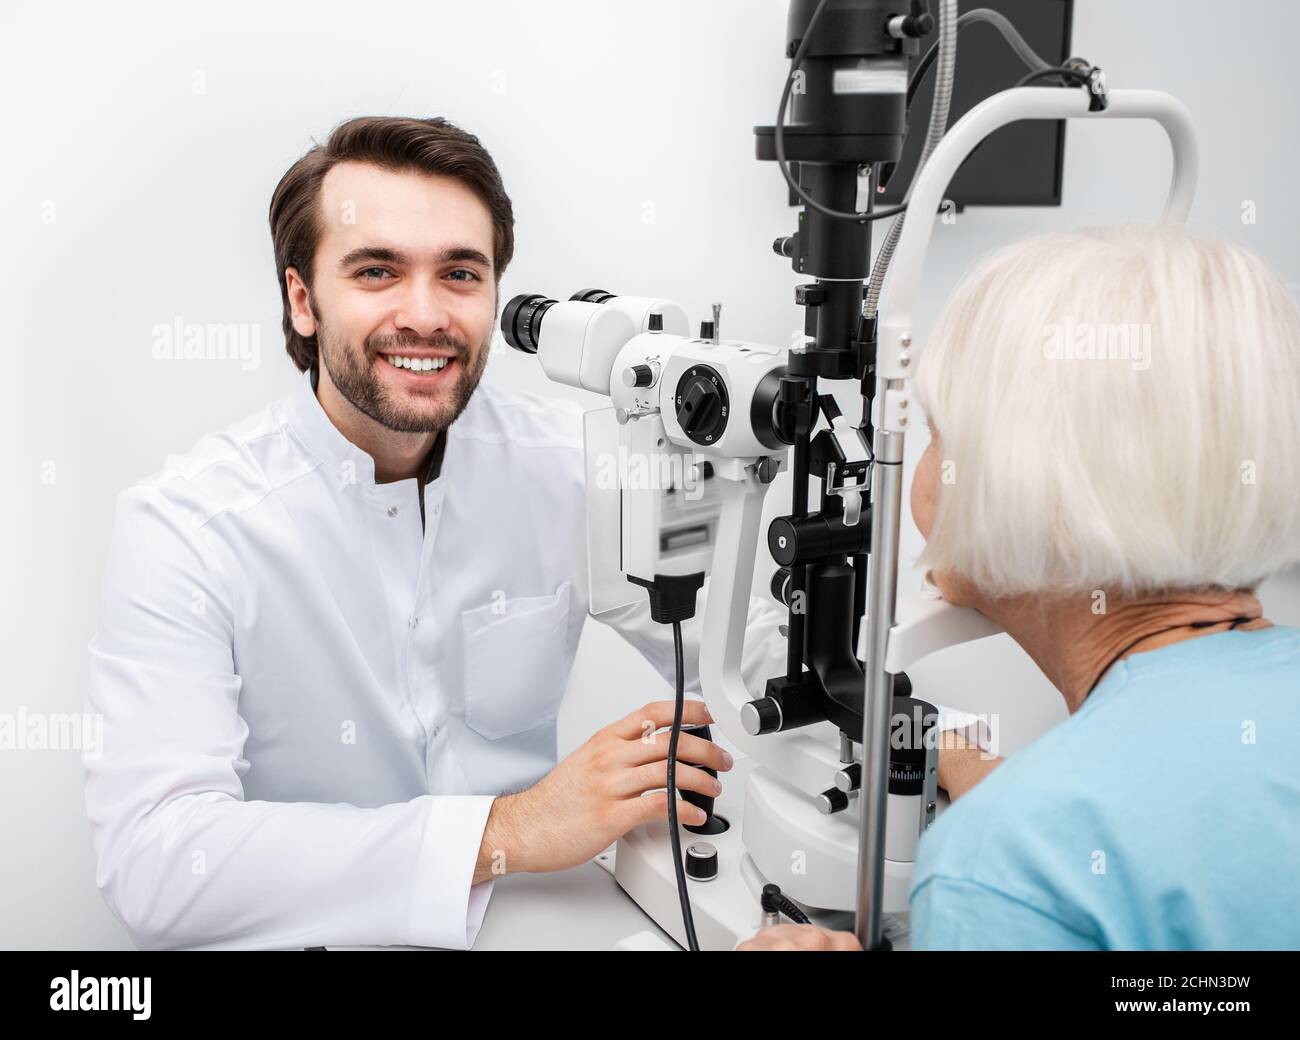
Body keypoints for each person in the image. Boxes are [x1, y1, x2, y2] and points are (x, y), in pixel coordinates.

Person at [739, 223, 1300, 951]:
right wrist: (978, 769)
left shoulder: (1010, 862)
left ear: (1027, 484)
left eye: (935, 432)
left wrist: (1012, 846)